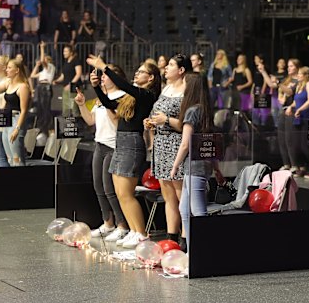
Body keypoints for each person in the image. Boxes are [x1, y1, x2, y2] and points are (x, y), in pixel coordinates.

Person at [86, 55, 161, 248]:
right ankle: (135, 231)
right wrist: (96, 87)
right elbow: (110, 104)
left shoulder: (147, 95)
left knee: (126, 193)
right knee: (120, 193)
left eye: (141, 71)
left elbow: (125, 86)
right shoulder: (131, 96)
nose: (136, 73)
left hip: (132, 143)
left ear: (151, 78)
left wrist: (105, 68)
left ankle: (141, 234)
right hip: (121, 141)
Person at [74, 65, 129, 240]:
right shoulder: (100, 98)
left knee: (109, 189)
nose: (102, 77)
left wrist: (104, 100)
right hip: (99, 145)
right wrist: (82, 104)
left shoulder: (122, 97)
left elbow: (116, 124)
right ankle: (108, 222)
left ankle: (122, 225)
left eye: (106, 75)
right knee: (98, 186)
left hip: (114, 146)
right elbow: (90, 120)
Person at [170, 72, 223, 253]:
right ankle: (194, 251)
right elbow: (210, 142)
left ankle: (204, 252)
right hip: (200, 166)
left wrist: (175, 165)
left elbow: (186, 143)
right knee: (185, 209)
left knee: (198, 211)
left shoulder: (192, 112)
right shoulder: (205, 110)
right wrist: (216, 168)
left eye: (184, 83)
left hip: (194, 167)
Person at [147, 54, 193, 244]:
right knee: (168, 195)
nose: (166, 68)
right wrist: (151, 122)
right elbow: (157, 113)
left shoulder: (187, 90)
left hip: (176, 144)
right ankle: (171, 235)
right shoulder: (166, 87)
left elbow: (187, 123)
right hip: (161, 143)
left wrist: (166, 120)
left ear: (181, 70)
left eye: (171, 65)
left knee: (180, 193)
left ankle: (185, 236)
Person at [0, 58, 31, 167]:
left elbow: (24, 110)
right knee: (9, 157)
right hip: (7, 120)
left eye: (9, 68)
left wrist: (17, 128)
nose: (7, 70)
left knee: (17, 157)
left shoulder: (23, 87)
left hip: (16, 119)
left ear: (17, 70)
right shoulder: (8, 83)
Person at [261, 58, 301, 171]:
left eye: (291, 66)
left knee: (289, 138)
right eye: (288, 66)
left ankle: (294, 165)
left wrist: (278, 83)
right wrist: (264, 72)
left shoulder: (299, 81)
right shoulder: (286, 79)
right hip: (283, 110)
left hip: (292, 110)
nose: (289, 68)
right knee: (281, 138)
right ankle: (286, 163)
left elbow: (289, 92)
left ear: (297, 67)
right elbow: (272, 85)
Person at [285, 66, 309, 178]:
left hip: (308, 117)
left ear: (306, 75)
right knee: (296, 145)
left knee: (306, 145)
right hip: (298, 118)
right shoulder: (299, 86)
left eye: (300, 74)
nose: (298, 76)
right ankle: (302, 167)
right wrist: (291, 107)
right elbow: (296, 101)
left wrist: (300, 109)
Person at [30, 42, 55, 137]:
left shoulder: (50, 67)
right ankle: (42, 128)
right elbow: (32, 75)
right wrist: (36, 65)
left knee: (45, 108)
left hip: (45, 88)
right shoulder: (43, 71)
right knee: (39, 108)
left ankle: (49, 128)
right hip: (40, 88)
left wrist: (42, 48)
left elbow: (43, 61)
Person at [52, 45, 82, 117]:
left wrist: (70, 84)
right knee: (66, 108)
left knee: (74, 108)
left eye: (65, 51)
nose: (64, 53)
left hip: (74, 88)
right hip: (65, 88)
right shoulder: (65, 62)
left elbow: (78, 74)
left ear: (71, 52)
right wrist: (56, 81)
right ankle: (65, 125)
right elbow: (63, 76)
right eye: (63, 51)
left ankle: (77, 125)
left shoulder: (76, 61)